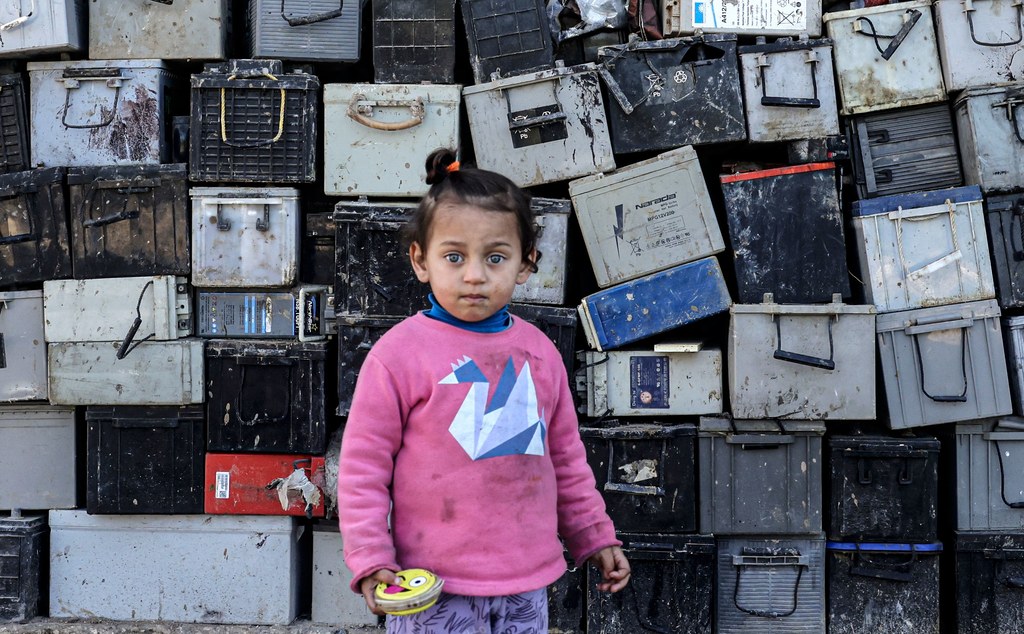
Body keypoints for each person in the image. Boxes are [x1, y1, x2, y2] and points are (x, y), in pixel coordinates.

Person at [337, 148, 630, 633]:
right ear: (420, 260)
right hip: (430, 586)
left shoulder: (539, 353)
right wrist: (370, 558)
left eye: (495, 257)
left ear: (526, 264)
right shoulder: (397, 355)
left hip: (524, 582)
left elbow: (566, 459)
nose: (474, 275)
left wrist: (594, 535)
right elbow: (362, 471)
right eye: (454, 256)